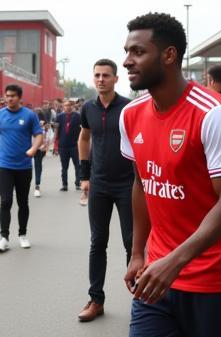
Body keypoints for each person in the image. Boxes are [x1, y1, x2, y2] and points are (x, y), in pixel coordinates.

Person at [120, 13, 221, 337]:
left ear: (169, 55)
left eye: (137, 52)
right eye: (126, 51)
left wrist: (175, 261)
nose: (127, 61)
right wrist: (138, 253)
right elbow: (142, 183)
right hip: (156, 277)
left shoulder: (215, 115)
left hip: (213, 280)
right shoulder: (131, 115)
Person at [77, 59, 134, 323]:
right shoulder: (87, 107)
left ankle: (141, 300)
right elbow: (84, 138)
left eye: (106, 75)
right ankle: (96, 300)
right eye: (97, 75)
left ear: (116, 78)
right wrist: (84, 175)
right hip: (99, 184)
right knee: (97, 242)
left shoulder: (129, 108)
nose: (101, 79)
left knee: (131, 243)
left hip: (128, 185)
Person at [0, 84, 43, 252]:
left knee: (22, 201)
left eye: (13, 96)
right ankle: (4, 237)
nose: (9, 99)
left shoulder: (29, 115)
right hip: (4, 164)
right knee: (5, 201)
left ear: (20, 97)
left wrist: (33, 149)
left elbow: (38, 134)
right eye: (7, 96)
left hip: (24, 165)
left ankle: (22, 234)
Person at [56, 98, 81, 190]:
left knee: (77, 166)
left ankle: (78, 183)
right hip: (63, 146)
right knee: (64, 167)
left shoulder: (78, 116)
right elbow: (57, 130)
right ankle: (64, 185)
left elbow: (82, 130)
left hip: (75, 145)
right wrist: (56, 144)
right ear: (63, 106)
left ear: (73, 106)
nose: (68, 107)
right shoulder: (59, 117)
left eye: (70, 105)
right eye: (66, 105)